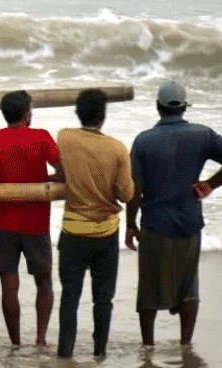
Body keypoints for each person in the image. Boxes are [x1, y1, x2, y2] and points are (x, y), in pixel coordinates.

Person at [125, 81, 222, 347]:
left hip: (155, 223)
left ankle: (148, 346)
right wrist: (209, 185)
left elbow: (135, 187)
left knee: (149, 289)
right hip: (190, 221)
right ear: (184, 107)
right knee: (189, 287)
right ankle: (185, 344)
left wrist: (130, 224)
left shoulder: (144, 141)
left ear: (158, 107)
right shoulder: (202, 135)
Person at [0, 90, 64, 347]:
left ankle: (15, 342)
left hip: (2, 221)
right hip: (36, 222)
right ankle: (40, 339)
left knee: (9, 286)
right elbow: (63, 172)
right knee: (44, 282)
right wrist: (44, 180)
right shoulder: (41, 137)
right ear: (28, 114)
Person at [54, 88, 134, 359]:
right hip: (105, 233)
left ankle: (65, 352)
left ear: (78, 113)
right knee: (103, 299)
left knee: (70, 296)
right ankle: (100, 352)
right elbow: (126, 194)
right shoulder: (117, 148)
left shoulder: (65, 137)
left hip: (73, 230)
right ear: (103, 116)